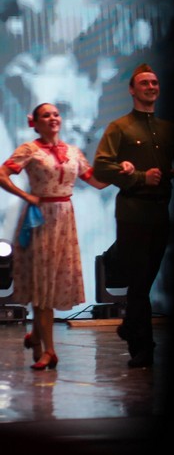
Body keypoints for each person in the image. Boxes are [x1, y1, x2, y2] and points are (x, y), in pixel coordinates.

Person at [2, 103, 111, 370]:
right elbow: (2, 174)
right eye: (46, 115)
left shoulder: (73, 151)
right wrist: (26, 195)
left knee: (53, 282)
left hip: (65, 220)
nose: (52, 118)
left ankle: (36, 337)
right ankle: (49, 350)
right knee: (42, 286)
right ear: (36, 123)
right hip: (40, 220)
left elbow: (96, 181)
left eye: (55, 114)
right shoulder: (30, 149)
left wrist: (123, 171)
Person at [93, 64, 174, 369]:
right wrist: (140, 177)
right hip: (133, 213)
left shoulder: (167, 129)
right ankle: (142, 347)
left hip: (160, 213)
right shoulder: (120, 127)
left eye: (154, 82)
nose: (151, 87)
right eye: (144, 83)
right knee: (139, 284)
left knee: (145, 282)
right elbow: (101, 167)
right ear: (131, 89)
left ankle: (130, 326)